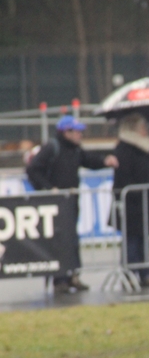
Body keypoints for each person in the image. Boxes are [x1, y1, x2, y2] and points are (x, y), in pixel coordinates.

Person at [26, 115, 119, 294]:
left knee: (72, 240)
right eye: (77, 131)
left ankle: (73, 276)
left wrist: (104, 162)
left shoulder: (75, 150)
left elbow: (89, 161)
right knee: (58, 240)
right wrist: (49, 188)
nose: (80, 135)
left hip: (71, 202)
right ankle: (60, 278)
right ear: (66, 132)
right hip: (54, 204)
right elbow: (33, 170)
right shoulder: (52, 147)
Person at [112, 113, 149, 287]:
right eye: (142, 127)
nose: (146, 131)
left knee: (144, 239)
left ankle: (145, 273)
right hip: (132, 203)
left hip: (146, 203)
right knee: (131, 240)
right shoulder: (123, 149)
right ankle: (129, 273)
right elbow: (125, 178)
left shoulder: (147, 149)